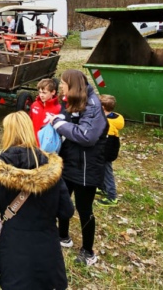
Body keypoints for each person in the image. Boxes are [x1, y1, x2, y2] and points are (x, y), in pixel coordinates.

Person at [0, 111, 74, 290]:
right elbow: (66, 210)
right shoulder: (51, 166)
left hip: (13, 244)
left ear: (7, 133)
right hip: (46, 245)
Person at [53, 69, 108, 266]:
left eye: (63, 83)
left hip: (86, 167)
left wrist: (58, 124)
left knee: (84, 209)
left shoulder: (93, 105)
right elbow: (65, 120)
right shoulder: (71, 100)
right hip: (69, 162)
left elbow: (87, 136)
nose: (61, 86)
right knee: (62, 201)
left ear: (73, 85)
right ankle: (63, 236)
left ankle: (88, 251)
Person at [98, 95, 124, 207]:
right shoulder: (113, 117)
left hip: (106, 152)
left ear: (103, 107)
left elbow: (106, 141)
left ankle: (112, 197)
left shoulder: (106, 122)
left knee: (107, 173)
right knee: (102, 170)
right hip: (107, 151)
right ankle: (103, 188)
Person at [29, 78, 62, 144]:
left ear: (53, 92)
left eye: (44, 93)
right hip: (33, 142)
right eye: (40, 92)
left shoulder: (58, 109)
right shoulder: (34, 105)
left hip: (47, 145)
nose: (41, 95)